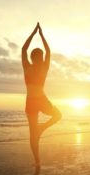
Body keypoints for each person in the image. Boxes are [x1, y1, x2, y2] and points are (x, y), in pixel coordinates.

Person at [22, 22, 62, 166]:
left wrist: (35, 34)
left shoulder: (29, 67)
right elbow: (47, 51)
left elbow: (24, 49)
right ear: (37, 58)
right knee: (35, 134)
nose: (40, 59)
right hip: (36, 100)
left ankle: (38, 159)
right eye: (40, 56)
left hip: (36, 100)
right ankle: (37, 161)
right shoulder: (40, 67)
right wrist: (39, 34)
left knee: (35, 134)